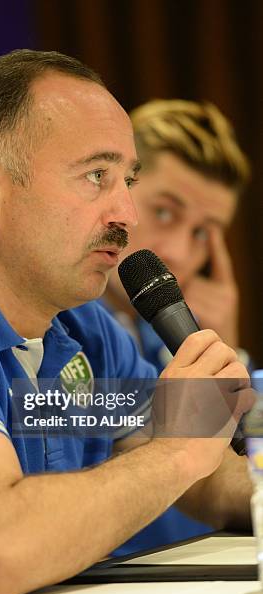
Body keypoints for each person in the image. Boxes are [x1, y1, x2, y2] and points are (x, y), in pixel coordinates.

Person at [0, 50, 253, 594]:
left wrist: (236, 480)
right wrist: (178, 450)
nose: (126, 213)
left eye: (127, 180)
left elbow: (191, 466)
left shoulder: (81, 327)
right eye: (95, 176)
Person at [103, 99, 252, 554]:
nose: (181, 254)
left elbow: (239, 476)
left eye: (204, 233)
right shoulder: (67, 330)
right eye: (165, 212)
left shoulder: (166, 336)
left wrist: (226, 354)